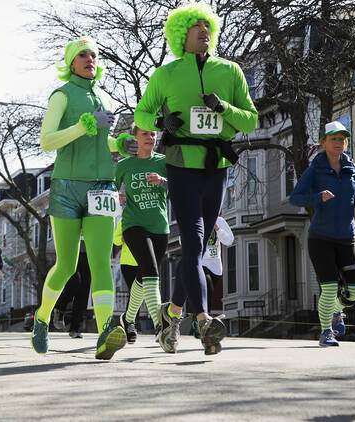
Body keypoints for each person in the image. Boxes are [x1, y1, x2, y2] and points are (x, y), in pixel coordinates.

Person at [133, 3, 258, 355]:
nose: (204, 32)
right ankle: (203, 320)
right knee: (193, 239)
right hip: (181, 163)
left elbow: (250, 120)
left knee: (199, 248)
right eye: (195, 27)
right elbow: (142, 111)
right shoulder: (167, 73)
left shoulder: (230, 70)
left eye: (208, 27)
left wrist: (224, 109)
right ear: (180, 35)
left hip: (215, 164)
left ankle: (171, 314)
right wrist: (161, 123)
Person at [32, 35, 137, 360]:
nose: (90, 59)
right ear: (71, 62)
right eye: (83, 55)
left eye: (93, 54)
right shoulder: (62, 95)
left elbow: (99, 142)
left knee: (101, 262)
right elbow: (47, 141)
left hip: (102, 187)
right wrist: (83, 125)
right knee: (65, 264)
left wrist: (117, 145)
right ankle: (42, 318)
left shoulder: (105, 97)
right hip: (66, 188)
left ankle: (106, 331)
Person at [290, 121, 355, 347]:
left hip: (346, 236)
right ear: (323, 142)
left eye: (342, 139)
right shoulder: (315, 169)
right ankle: (326, 333)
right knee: (330, 287)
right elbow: (296, 197)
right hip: (321, 237)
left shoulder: (352, 169)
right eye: (333, 139)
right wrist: (317, 197)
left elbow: (351, 197)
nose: (338, 143)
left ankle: (336, 311)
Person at [114, 127, 168, 346]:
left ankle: (127, 319)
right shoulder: (124, 165)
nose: (150, 138)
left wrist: (163, 181)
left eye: (153, 134)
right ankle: (161, 326)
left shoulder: (164, 161)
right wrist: (115, 196)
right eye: (145, 134)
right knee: (151, 272)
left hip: (160, 226)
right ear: (135, 138)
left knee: (141, 275)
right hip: (133, 224)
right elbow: (109, 189)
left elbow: (181, 189)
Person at [191, 214, 234, 337]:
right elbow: (182, 240)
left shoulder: (219, 221)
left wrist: (217, 230)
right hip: (200, 262)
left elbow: (230, 240)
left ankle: (198, 320)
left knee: (207, 293)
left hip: (215, 266)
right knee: (207, 287)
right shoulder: (195, 220)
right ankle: (203, 322)